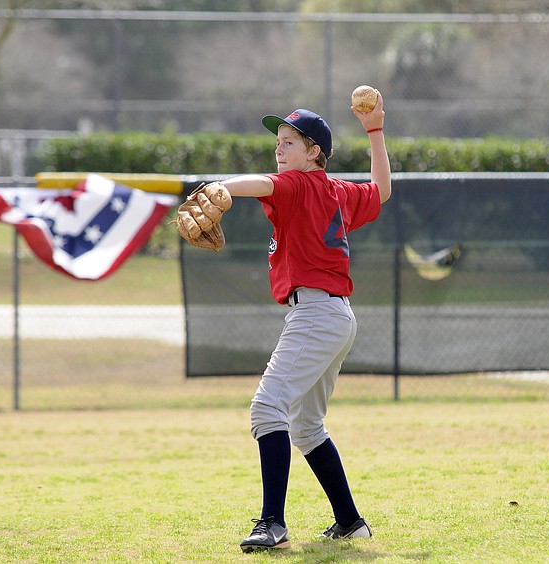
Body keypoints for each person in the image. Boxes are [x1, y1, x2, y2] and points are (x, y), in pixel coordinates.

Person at [218, 91, 390, 553]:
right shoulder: (337, 192)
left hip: (316, 313)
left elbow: (263, 185)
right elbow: (382, 190)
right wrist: (375, 131)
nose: (280, 148)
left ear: (315, 152)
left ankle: (273, 522)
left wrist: (220, 188)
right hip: (334, 315)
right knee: (307, 426)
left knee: (266, 409)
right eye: (279, 140)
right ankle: (350, 522)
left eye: (291, 141)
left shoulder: (300, 183)